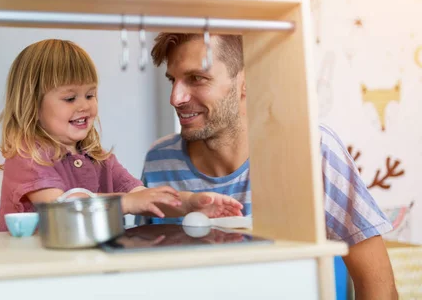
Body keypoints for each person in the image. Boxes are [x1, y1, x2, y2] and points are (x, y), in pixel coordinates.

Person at [140, 32, 398, 299]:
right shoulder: (159, 161)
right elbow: (148, 280)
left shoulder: (312, 149)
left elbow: (378, 286)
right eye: (173, 80)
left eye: (196, 78)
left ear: (246, 80)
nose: (176, 97)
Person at [0, 39, 243, 232]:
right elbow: (61, 208)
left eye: (90, 95)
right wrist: (125, 204)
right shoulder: (28, 156)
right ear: (32, 105)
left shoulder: (97, 158)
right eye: (70, 98)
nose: (84, 106)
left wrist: (190, 203)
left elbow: (143, 196)